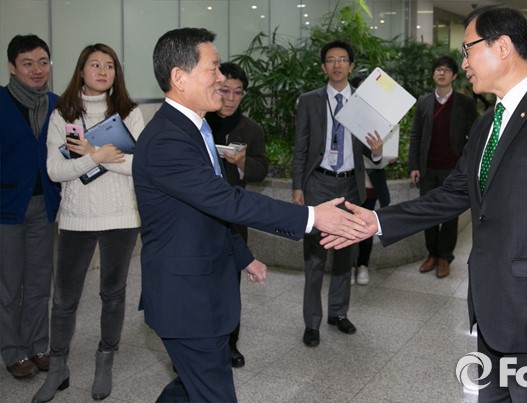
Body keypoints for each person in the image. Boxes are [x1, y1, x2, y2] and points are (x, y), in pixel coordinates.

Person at [322, 6, 527, 402]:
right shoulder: (487, 123)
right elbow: (453, 193)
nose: (464, 63)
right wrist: (378, 221)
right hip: (491, 311)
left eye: (468, 50)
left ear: (502, 47)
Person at [132, 28, 368, 403]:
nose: (221, 78)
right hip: (185, 299)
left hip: (202, 288)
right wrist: (310, 217)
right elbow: (225, 200)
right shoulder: (167, 140)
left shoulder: (194, 129)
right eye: (213, 69)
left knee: (192, 387)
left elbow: (207, 210)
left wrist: (243, 256)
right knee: (211, 390)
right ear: (179, 77)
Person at [33, 43, 145, 403]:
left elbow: (139, 166)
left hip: (121, 217)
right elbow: (55, 170)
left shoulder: (129, 112)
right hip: (76, 217)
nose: (102, 71)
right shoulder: (63, 113)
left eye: (109, 65)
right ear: (81, 70)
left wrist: (95, 154)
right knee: (64, 299)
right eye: (95, 65)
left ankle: (105, 360)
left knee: (112, 294)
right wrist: (97, 157)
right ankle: (58, 368)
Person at [292, 40, 384, 347]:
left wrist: (377, 151)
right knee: (315, 257)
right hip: (318, 183)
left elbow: (371, 151)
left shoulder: (364, 103)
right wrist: (298, 186)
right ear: (323, 67)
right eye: (331, 60)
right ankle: (312, 323)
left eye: (342, 59)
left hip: (349, 186)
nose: (336, 65)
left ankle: (338, 313)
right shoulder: (309, 100)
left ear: (351, 66)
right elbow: (301, 147)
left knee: (346, 254)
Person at [0, 34, 60, 380]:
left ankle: (38, 345)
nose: (37, 70)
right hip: (6, 208)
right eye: (27, 63)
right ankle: (13, 351)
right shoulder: (1, 102)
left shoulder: (56, 104)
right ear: (12, 67)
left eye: (42, 62)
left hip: (45, 205)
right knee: (9, 286)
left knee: (39, 282)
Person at [205, 61, 269, 368]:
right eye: (224, 90)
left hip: (233, 218)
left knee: (230, 285)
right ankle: (199, 345)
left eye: (237, 92)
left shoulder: (251, 129)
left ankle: (230, 343)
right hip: (198, 215)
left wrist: (242, 162)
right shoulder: (199, 122)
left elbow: (261, 168)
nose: (230, 98)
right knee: (199, 284)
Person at [408, 55, 477, 278]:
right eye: (438, 69)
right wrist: (414, 165)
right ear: (433, 74)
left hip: (453, 170)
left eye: (446, 70)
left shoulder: (465, 103)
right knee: (427, 214)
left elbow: (474, 137)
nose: (441, 73)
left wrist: (467, 166)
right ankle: (432, 254)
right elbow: (416, 136)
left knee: (449, 216)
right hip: (428, 169)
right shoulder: (424, 102)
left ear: (454, 76)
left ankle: (445, 257)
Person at [349, 73, 393, 285]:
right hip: (348, 181)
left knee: (365, 225)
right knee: (346, 224)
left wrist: (383, 153)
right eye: (358, 89)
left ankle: (363, 265)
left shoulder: (383, 117)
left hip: (370, 181)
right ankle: (348, 266)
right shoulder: (344, 115)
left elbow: (384, 154)